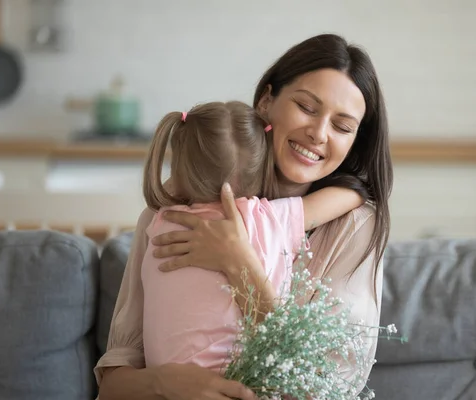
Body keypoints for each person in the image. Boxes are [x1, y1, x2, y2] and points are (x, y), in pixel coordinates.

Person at [95, 33, 393, 400]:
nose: (318, 133)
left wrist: (240, 264)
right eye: (307, 107)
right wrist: (162, 382)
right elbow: (112, 387)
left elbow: (327, 390)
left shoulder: (355, 226)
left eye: (342, 127)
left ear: (353, 143)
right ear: (267, 100)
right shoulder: (178, 204)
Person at [138, 100, 364, 373]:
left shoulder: (160, 221)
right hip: (230, 383)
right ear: (261, 170)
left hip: (165, 386)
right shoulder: (259, 219)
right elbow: (350, 196)